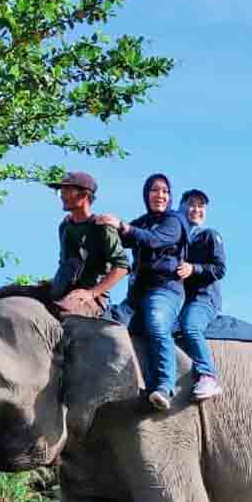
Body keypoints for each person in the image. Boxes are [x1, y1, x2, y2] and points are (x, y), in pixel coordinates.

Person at [95, 174, 189, 411]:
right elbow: (122, 237)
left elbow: (152, 240)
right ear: (146, 195)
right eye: (155, 190)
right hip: (136, 295)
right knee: (106, 322)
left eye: (165, 191)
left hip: (165, 291)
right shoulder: (142, 221)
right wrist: (91, 221)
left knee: (157, 325)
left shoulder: (174, 221)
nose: (160, 195)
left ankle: (165, 386)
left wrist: (124, 227)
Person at [0, 170, 130, 319]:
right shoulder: (65, 226)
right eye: (61, 191)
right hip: (60, 290)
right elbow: (66, 263)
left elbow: (122, 267)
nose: (62, 196)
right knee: (5, 292)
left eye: (67, 191)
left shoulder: (102, 227)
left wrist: (92, 293)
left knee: (63, 313)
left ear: (84, 195)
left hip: (88, 297)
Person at [177, 188, 227, 401]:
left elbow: (220, 269)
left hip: (204, 300)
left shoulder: (209, 236)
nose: (196, 209)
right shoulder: (176, 239)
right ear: (180, 207)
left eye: (201, 206)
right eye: (191, 204)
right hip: (179, 301)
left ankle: (208, 375)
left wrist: (193, 269)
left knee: (190, 326)